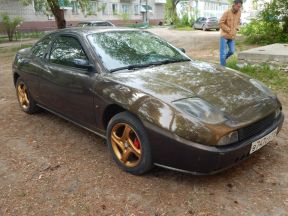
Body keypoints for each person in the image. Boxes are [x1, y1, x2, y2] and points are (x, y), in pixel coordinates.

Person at [219, 0, 242, 66]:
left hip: (232, 36)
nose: (239, 8)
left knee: (232, 51)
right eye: (238, 6)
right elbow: (220, 23)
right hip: (224, 36)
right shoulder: (227, 12)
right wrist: (228, 30)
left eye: (240, 7)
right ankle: (223, 67)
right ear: (234, 5)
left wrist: (237, 27)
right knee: (223, 53)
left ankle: (222, 61)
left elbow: (238, 21)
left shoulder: (239, 12)